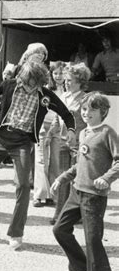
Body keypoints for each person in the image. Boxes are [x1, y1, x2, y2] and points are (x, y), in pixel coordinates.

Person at [0, 48, 75, 250]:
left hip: (22, 142)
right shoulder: (10, 85)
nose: (29, 88)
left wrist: (71, 129)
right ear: (22, 77)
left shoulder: (44, 95)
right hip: (1, 138)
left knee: (22, 186)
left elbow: (65, 113)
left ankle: (16, 233)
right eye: (26, 83)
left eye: (34, 85)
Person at [51, 92, 118, 271]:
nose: (86, 113)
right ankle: (78, 265)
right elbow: (79, 164)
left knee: (93, 240)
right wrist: (61, 178)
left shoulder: (107, 133)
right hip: (76, 192)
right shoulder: (83, 133)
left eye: (91, 109)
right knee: (59, 229)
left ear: (102, 112)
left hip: (94, 196)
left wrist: (106, 178)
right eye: (84, 109)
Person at [49, 63, 89, 224]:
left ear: (79, 81)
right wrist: (51, 131)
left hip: (78, 144)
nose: (66, 82)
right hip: (62, 142)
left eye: (70, 80)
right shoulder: (63, 97)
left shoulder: (85, 98)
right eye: (65, 80)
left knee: (76, 180)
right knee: (62, 178)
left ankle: (75, 214)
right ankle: (60, 213)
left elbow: (88, 122)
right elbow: (58, 118)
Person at [32, 61, 65, 208]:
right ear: (51, 74)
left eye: (61, 73)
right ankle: (39, 195)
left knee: (55, 161)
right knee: (41, 160)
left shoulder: (66, 90)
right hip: (44, 127)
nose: (59, 76)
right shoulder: (46, 89)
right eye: (56, 73)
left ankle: (52, 194)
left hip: (58, 128)